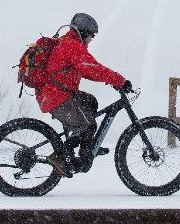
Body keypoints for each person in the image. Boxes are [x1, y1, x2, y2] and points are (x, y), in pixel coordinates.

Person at [36, 12, 132, 175]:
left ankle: (86, 148)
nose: (91, 39)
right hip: (56, 97)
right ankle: (60, 156)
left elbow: (87, 71)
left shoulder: (71, 43)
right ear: (83, 33)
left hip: (57, 94)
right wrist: (119, 81)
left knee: (90, 102)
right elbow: (92, 68)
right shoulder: (72, 45)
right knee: (88, 125)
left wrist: (111, 80)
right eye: (91, 36)